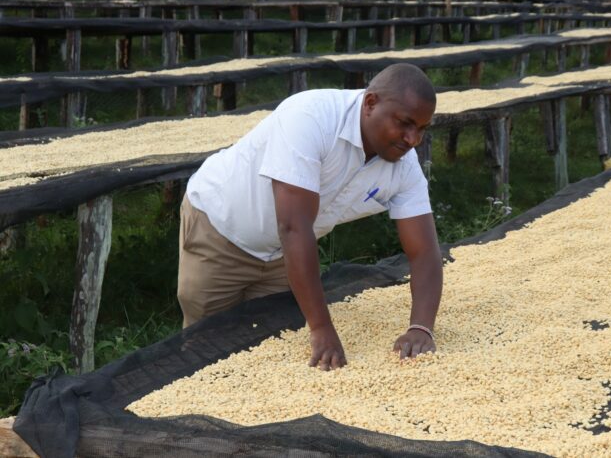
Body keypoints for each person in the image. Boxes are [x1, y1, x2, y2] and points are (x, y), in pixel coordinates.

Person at [178, 63, 443, 370]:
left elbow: (424, 252)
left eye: (422, 129)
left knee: (266, 348)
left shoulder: (404, 164)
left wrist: (421, 328)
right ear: (371, 104)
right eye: (405, 123)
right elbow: (293, 226)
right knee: (204, 349)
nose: (413, 140)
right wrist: (321, 328)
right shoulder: (310, 117)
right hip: (221, 231)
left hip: (283, 255)